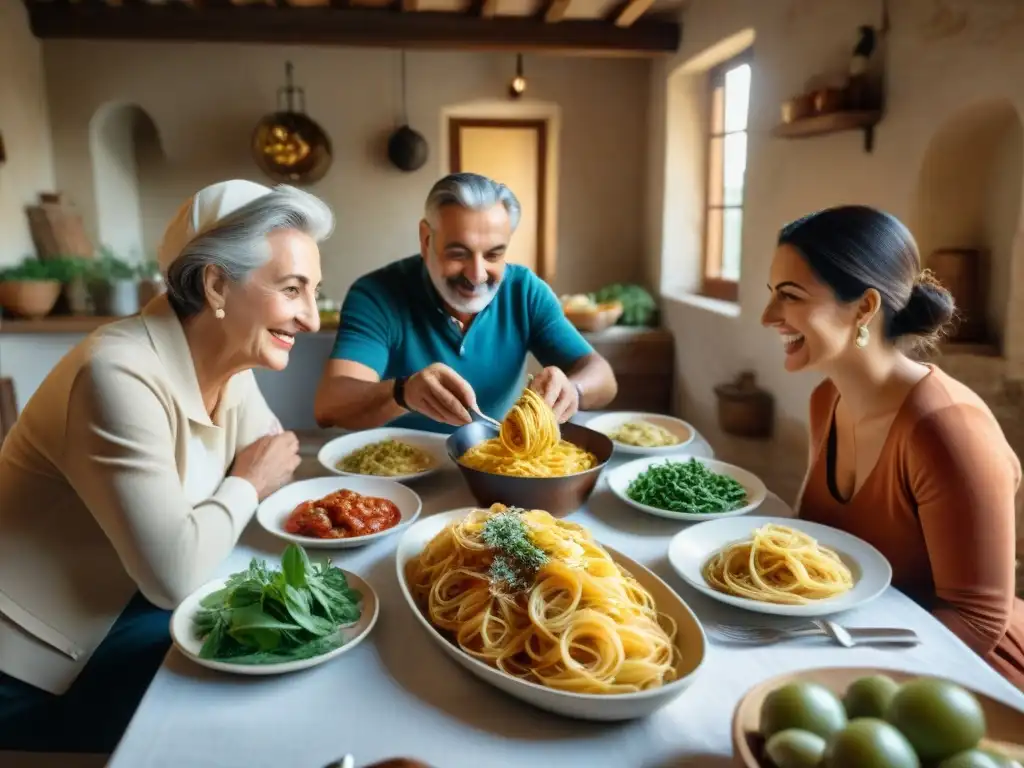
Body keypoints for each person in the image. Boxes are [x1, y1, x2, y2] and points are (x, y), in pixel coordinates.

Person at [0, 179, 334, 752]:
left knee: (301, 677)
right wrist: (245, 481)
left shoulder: (229, 358)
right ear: (216, 285)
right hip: (39, 664)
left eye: (313, 290)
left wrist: (254, 482)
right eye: (292, 289)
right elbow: (176, 572)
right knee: (249, 729)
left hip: (126, 609)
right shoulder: (116, 375)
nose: (309, 317)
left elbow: (280, 462)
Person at [761, 205, 1024, 691]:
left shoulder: (946, 430)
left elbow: (978, 623)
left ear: (864, 308)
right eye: (772, 295)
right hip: (849, 641)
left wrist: (842, 677)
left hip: (953, 678)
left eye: (790, 296)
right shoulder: (828, 399)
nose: (768, 316)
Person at [314, 172, 617, 433]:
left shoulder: (524, 290)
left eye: (494, 254)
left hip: (496, 465)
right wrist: (403, 392)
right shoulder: (376, 295)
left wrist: (573, 390)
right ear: (426, 239)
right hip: (397, 475)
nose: (477, 274)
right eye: (458, 253)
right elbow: (331, 407)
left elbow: (602, 377)